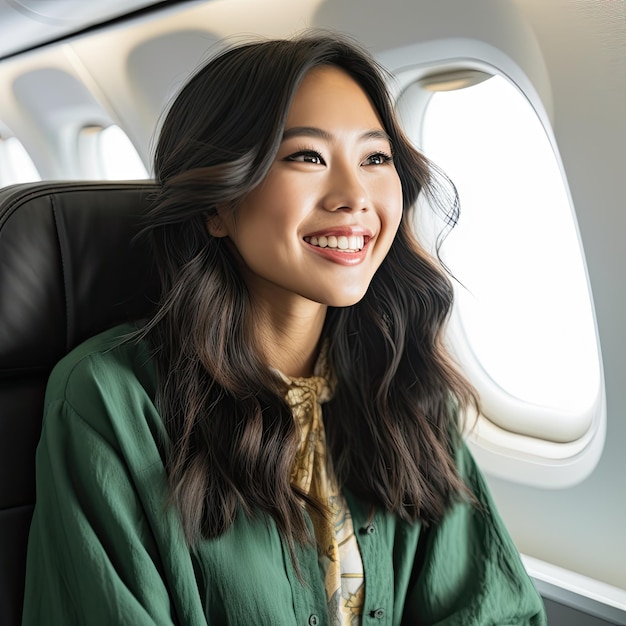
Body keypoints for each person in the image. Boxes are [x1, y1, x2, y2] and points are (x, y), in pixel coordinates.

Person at [22, 32, 546, 625]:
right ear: (218, 204)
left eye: (376, 159)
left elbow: (493, 612)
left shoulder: (406, 383)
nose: (355, 197)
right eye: (307, 157)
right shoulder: (109, 399)